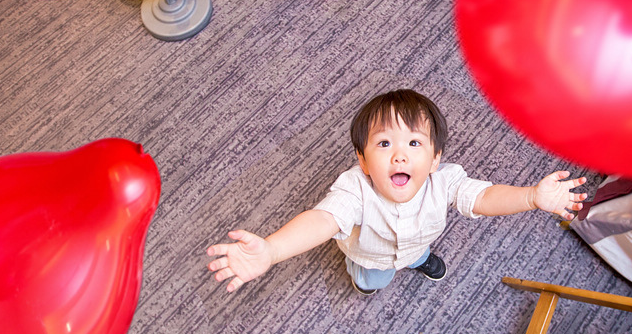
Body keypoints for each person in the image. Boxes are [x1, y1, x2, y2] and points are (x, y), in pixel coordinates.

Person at [207, 89, 587, 294]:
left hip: (418, 240)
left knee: (417, 252)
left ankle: (416, 259)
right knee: (371, 278)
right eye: (384, 144)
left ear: (436, 159)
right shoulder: (354, 189)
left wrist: (531, 197)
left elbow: (483, 198)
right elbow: (322, 219)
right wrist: (272, 249)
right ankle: (366, 278)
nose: (400, 154)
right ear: (363, 160)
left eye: (415, 144)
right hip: (367, 255)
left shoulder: (446, 180)